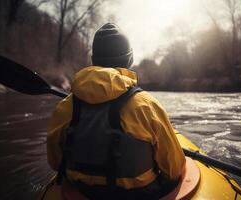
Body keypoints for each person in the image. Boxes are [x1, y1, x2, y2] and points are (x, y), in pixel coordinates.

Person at [47, 23, 185, 199]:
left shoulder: (65, 107)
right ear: (129, 60)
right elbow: (174, 168)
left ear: (93, 60)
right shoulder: (147, 106)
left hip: (83, 192)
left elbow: (55, 162)